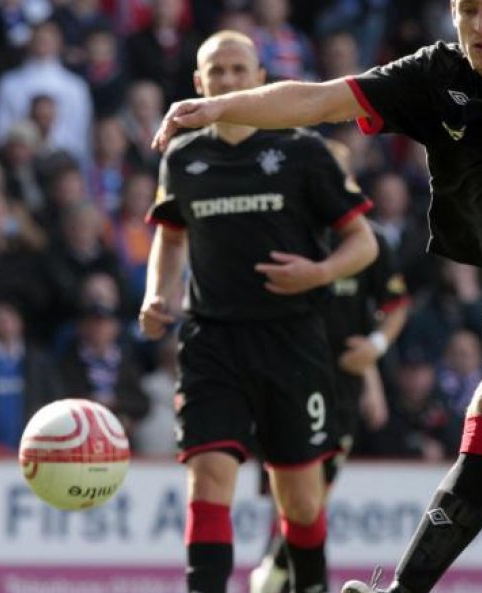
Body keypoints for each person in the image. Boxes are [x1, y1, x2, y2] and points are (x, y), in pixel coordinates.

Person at [152, 1, 482, 591]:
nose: (481, 26)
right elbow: (319, 99)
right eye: (469, 11)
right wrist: (216, 109)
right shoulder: (434, 76)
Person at [138, 31, 378, 593]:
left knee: (298, 498)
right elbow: (171, 240)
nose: (226, 80)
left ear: (260, 78)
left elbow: (362, 244)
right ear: (198, 83)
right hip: (212, 341)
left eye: (237, 70)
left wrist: (316, 273)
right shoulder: (183, 156)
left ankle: (312, 587)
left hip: (291, 340)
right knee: (208, 479)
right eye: (215, 72)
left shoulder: (303, 152)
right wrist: (157, 293)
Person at [249, 142, 411, 593]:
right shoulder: (288, 233)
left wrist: (375, 349)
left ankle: (276, 574)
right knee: (292, 493)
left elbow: (395, 305)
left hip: (342, 386)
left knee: (316, 492)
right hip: (287, 381)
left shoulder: (370, 239)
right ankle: (279, 575)